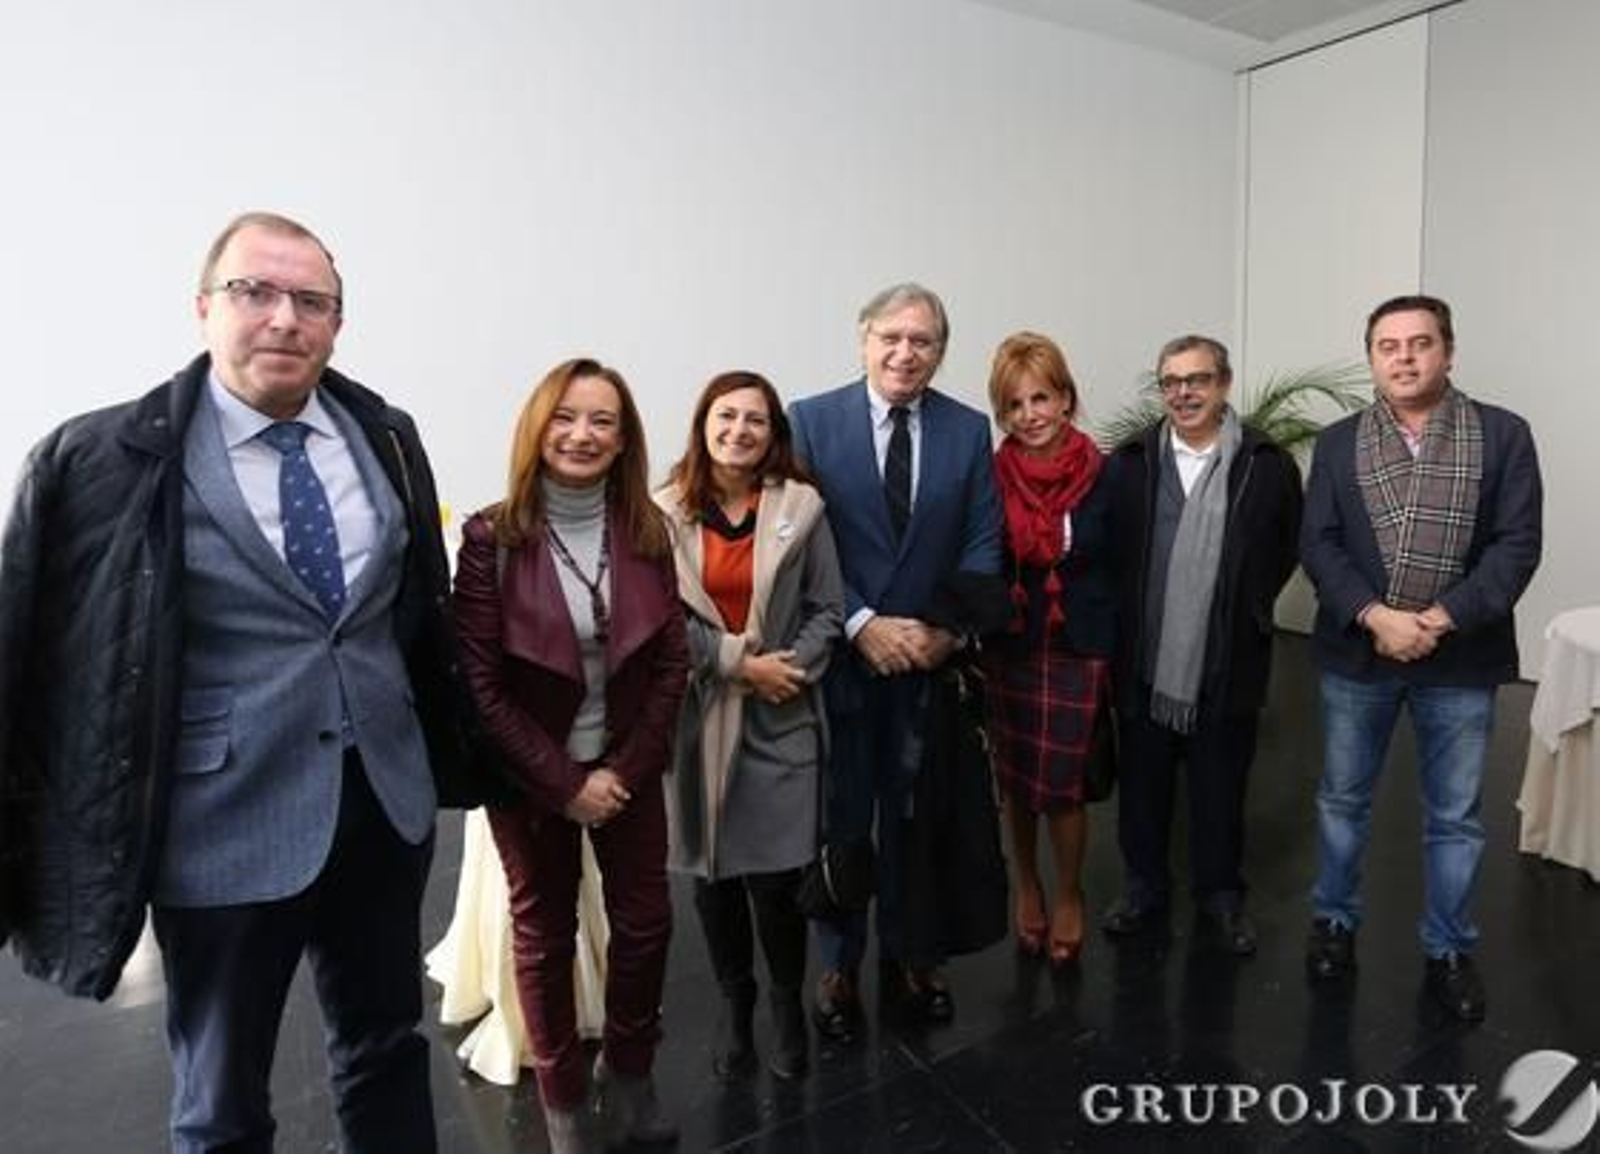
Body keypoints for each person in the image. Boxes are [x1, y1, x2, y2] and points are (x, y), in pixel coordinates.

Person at [0, 211, 507, 1152]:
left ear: (337, 325)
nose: (284, 318)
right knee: (221, 1095)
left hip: (380, 805)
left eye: (311, 301)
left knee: (387, 1051)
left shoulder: (385, 435)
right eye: (254, 292)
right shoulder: (104, 459)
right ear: (203, 307)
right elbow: (48, 654)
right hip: (219, 822)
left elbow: (413, 608)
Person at [453, 358, 688, 1153]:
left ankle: (631, 1073)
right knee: (544, 936)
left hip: (628, 770)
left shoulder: (648, 532)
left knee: (647, 926)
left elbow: (671, 664)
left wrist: (622, 772)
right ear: (537, 427)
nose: (582, 434)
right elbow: (481, 687)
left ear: (624, 441)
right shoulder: (490, 538)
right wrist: (565, 784)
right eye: (566, 416)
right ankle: (561, 1099)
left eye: (602, 421)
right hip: (531, 780)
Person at [1301, 294, 1542, 1022]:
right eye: (1388, 346)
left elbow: (1517, 545)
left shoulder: (1501, 435)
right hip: (1360, 651)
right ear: (1372, 358)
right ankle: (1333, 922)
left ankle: (1449, 950)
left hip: (1459, 655)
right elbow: (1319, 544)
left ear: (1448, 351)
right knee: (1343, 801)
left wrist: (1435, 620)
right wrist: (1377, 617)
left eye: (1420, 343)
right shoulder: (1339, 443)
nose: (1403, 358)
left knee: (1456, 817)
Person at [788, 283, 1003, 1041]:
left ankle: (917, 956)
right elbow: (799, 541)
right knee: (843, 814)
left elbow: (982, 539)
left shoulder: (968, 430)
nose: (905, 353)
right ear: (864, 339)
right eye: (892, 337)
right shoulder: (810, 421)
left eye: (923, 341)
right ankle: (838, 964)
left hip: (928, 663)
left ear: (940, 352)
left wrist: (947, 630)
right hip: (844, 661)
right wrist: (860, 622)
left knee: (921, 817)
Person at [656, 370, 844, 1081]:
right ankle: (736, 1011)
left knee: (776, 880)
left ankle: (787, 1007)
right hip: (699, 720)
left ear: (773, 434)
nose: (739, 430)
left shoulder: (803, 507)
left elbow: (828, 609)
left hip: (781, 715)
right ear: (703, 424)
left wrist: (785, 670)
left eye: (755, 420)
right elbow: (658, 623)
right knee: (713, 880)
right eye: (726, 416)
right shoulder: (660, 514)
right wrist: (739, 664)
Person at [1103, 334, 1302, 955]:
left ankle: (1220, 895)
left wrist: (1244, 608)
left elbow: (1284, 548)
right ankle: (1143, 888)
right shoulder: (1131, 462)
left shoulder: (1265, 464)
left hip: (1227, 660)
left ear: (1224, 384)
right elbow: (1111, 552)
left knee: (1221, 788)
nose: (1183, 393)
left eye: (1197, 380)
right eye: (1171, 382)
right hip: (1144, 658)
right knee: (1142, 788)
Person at [982, 332, 1115, 967]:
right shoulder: (989, 476)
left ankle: (1067, 891)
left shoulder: (1105, 474)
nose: (1029, 414)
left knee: (1063, 785)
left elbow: (1123, 565)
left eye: (1040, 398)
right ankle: (1027, 884)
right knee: (1015, 779)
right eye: (1014, 404)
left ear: (1065, 398)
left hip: (1077, 646)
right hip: (1011, 644)